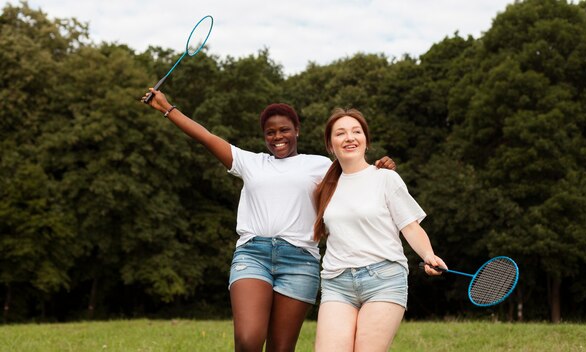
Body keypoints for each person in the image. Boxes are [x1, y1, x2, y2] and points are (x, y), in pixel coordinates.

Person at [141, 89, 396, 352]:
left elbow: (358, 173)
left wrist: (381, 167)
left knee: (281, 349)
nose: (277, 137)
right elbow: (206, 137)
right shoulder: (251, 163)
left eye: (284, 130)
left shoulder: (320, 166)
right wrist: (167, 108)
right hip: (253, 255)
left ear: (296, 130)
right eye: (270, 133)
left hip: (300, 261)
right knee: (249, 340)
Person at [312, 108, 447, 352]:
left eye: (356, 131)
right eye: (340, 133)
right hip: (336, 282)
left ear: (366, 140)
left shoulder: (385, 178)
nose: (349, 137)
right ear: (330, 145)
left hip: (384, 279)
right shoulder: (324, 187)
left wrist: (428, 255)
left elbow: (410, 226)